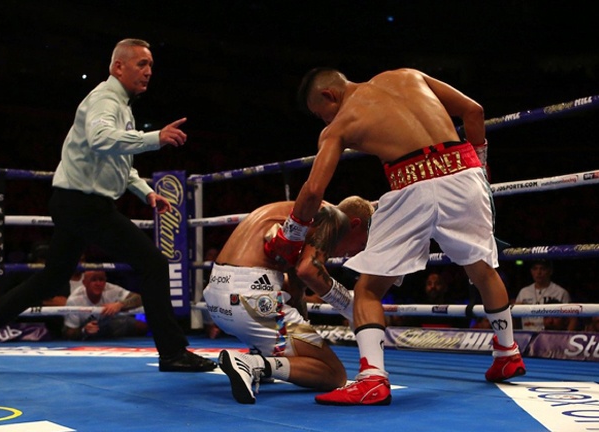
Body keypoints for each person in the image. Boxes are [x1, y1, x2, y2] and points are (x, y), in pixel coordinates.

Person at [0, 38, 216, 373]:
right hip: (84, 203)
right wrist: (155, 138)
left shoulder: (122, 106)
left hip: (76, 202)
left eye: (151, 65)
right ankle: (173, 351)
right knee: (152, 263)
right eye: (141, 64)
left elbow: (119, 163)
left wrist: (145, 192)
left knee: (50, 280)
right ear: (118, 66)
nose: (149, 72)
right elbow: (101, 140)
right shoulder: (105, 99)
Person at [265, 67, 526, 406]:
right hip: (466, 174)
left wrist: (292, 234)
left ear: (329, 96)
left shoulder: (340, 125)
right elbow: (473, 111)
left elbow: (314, 190)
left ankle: (372, 378)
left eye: (320, 113)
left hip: (412, 185)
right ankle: (507, 352)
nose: (323, 121)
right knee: (482, 269)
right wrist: (481, 165)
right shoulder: (408, 75)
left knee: (369, 288)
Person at [205, 196, 373, 404]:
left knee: (299, 357)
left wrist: (304, 332)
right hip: (252, 300)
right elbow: (308, 271)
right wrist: (353, 309)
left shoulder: (304, 216)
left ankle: (262, 355)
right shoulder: (332, 217)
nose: (355, 252)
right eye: (362, 243)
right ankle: (253, 362)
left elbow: (296, 287)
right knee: (334, 374)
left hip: (218, 298)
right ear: (354, 224)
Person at [63, 270, 148, 340]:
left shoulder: (111, 289)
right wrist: (84, 330)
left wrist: (120, 304)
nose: (98, 283)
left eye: (101, 279)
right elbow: (69, 332)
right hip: (87, 330)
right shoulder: (75, 299)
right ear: (85, 283)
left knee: (142, 326)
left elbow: (139, 298)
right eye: (94, 280)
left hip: (111, 324)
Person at [515, 259, 577, 331]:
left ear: (550, 271)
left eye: (543, 269)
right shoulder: (524, 292)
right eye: (535, 269)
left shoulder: (560, 292)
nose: (538, 272)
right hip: (527, 335)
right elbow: (514, 317)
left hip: (551, 336)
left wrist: (565, 338)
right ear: (531, 271)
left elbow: (573, 319)